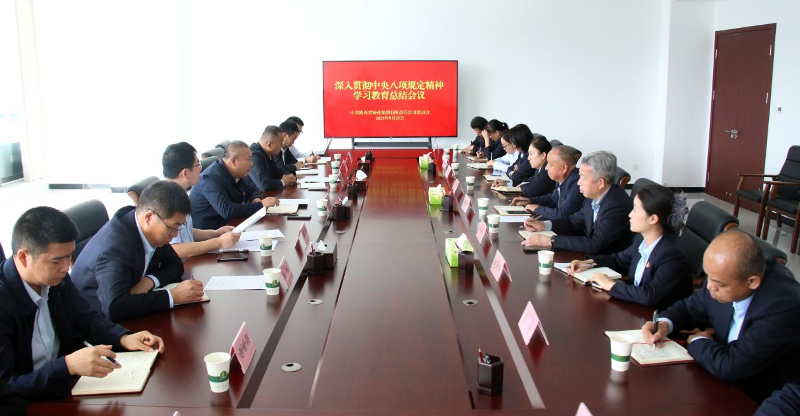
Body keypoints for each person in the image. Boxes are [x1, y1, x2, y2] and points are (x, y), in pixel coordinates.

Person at [0, 207, 165, 399]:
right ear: (23, 257)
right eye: (56, 261)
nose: (65, 268)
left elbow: (86, 319)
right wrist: (67, 366)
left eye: (69, 256)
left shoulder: (55, 279)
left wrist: (123, 338)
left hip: (65, 387)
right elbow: (7, 387)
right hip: (28, 401)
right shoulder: (4, 301)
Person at [643, 230, 800, 403]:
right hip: (718, 381)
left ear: (752, 282)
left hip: (759, 397)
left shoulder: (783, 307)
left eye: (718, 283)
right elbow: (689, 307)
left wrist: (697, 341)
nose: (708, 286)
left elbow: (730, 366)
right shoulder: (722, 277)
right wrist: (664, 323)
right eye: (708, 276)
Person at [72, 181, 205, 322]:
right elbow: (115, 307)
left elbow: (175, 264)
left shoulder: (146, 226)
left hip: (126, 311)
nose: (175, 234)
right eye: (173, 228)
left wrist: (148, 281)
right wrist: (172, 296)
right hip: (95, 322)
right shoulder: (117, 248)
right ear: (149, 217)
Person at [567, 184, 692, 309]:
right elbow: (619, 260)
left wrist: (612, 285)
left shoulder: (672, 254)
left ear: (653, 219)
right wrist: (589, 263)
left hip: (656, 316)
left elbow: (649, 296)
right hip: (635, 307)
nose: (630, 214)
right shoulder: (641, 239)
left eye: (635, 210)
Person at [522, 151, 633, 255]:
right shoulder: (593, 195)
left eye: (583, 178)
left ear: (600, 183)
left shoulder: (617, 205)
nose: (579, 182)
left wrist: (551, 240)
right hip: (588, 256)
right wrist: (544, 225)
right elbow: (573, 221)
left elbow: (595, 244)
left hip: (607, 262)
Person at [162, 142, 241, 258]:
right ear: (185, 173)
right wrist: (218, 242)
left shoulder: (179, 194)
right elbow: (175, 249)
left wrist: (215, 233)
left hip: (192, 259)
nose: (201, 169)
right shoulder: (166, 201)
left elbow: (187, 231)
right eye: (198, 165)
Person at [190, 141, 280, 230]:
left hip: (229, 225)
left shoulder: (233, 172)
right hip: (210, 232)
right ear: (233, 161)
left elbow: (252, 190)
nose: (252, 164)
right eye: (248, 159)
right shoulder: (211, 179)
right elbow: (228, 211)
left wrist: (256, 198)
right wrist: (261, 205)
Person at [510, 145, 583, 221]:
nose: (546, 168)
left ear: (564, 168)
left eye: (550, 164)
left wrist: (538, 209)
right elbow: (552, 199)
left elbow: (563, 214)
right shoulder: (562, 179)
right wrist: (530, 200)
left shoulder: (578, 184)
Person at [245, 125, 297, 192]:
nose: (282, 146)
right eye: (281, 143)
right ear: (269, 145)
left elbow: (277, 171)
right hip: (256, 196)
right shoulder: (253, 155)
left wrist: (290, 176)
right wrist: (283, 182)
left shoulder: (268, 153)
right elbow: (263, 184)